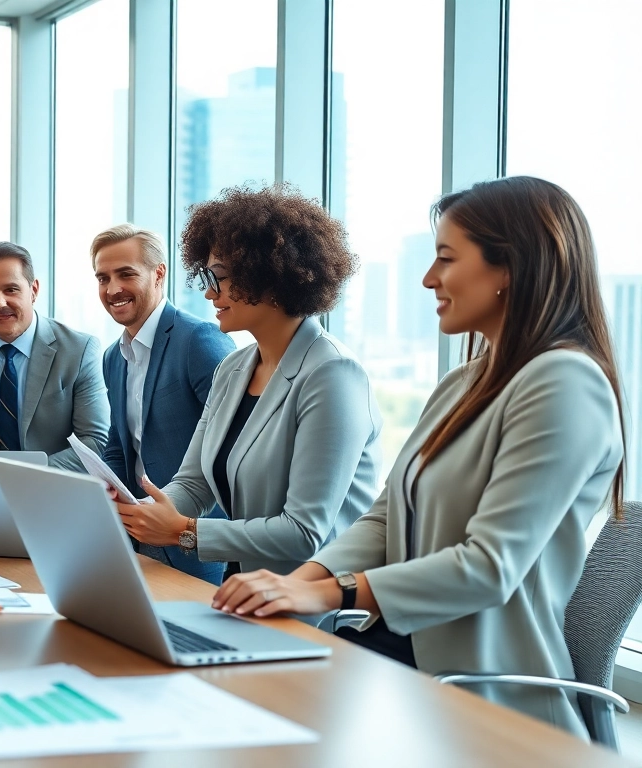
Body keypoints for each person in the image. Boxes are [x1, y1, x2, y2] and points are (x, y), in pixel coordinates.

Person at [211, 177, 627, 739]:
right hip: (406, 662)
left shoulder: (566, 383)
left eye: (447, 259)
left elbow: (489, 566)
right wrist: (297, 587)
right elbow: (385, 518)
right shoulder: (463, 383)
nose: (429, 278)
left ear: (510, 267)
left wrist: (329, 591)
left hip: (485, 696)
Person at [114, 184, 381, 577]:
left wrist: (186, 533)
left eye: (218, 276)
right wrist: (141, 511)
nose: (208, 292)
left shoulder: (332, 374)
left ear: (270, 274)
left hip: (307, 603)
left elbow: (303, 532)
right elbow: (193, 483)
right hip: (242, 590)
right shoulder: (233, 368)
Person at [93, 224, 235, 584]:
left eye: (126, 274)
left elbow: (234, 445)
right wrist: (105, 484)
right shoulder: (113, 356)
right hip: (137, 534)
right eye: (103, 277)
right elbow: (119, 443)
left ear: (159, 274)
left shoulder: (199, 341)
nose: (113, 289)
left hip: (193, 538)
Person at [0, 241, 108, 471]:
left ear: (33, 290)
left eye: (10, 290)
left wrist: (24, 476)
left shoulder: (79, 350)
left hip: (55, 489)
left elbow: (95, 443)